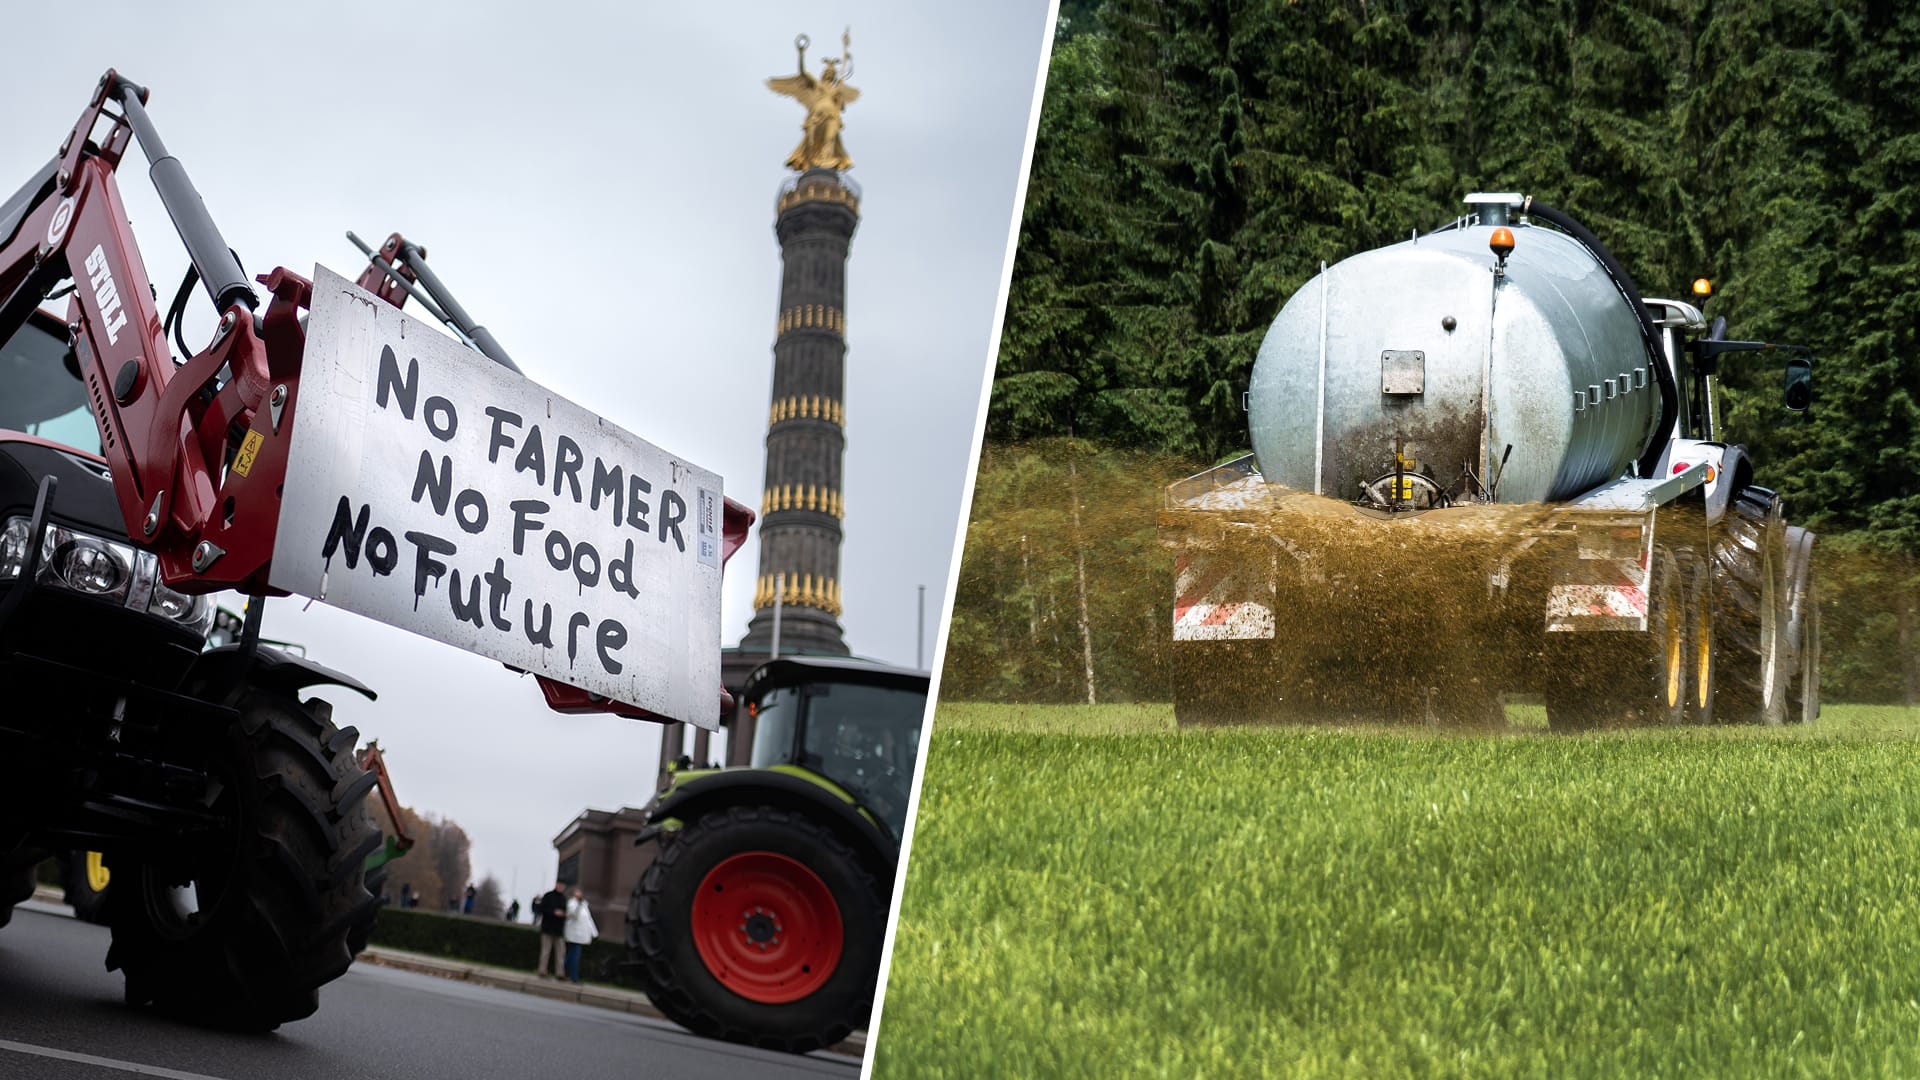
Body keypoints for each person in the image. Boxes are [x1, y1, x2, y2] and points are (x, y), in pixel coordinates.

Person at [563, 887, 598, 985]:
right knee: (574, 957)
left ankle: (566, 974)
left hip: (580, 936)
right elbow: (573, 915)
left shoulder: (584, 905)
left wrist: (594, 932)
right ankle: (573, 977)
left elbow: (588, 920)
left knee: (572, 956)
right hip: (574, 934)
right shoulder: (572, 903)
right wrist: (579, 905)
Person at [534, 880, 569, 978]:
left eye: (563, 886)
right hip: (547, 928)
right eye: (560, 885)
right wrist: (553, 912)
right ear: (557, 885)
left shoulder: (564, 898)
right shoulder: (548, 896)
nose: (562, 887)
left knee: (561, 952)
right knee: (545, 951)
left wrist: (564, 915)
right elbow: (541, 909)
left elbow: (566, 911)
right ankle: (542, 970)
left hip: (559, 930)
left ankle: (560, 973)